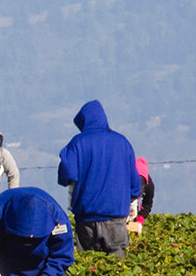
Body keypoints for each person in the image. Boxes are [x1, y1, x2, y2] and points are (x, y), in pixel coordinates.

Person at [56, 101, 140, 255]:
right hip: (116, 217)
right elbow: (135, 185)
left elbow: (67, 174)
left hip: (87, 218)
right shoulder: (122, 143)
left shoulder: (78, 143)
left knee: (90, 265)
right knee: (116, 268)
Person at [0, 187, 74, 276]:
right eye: (22, 239)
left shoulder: (58, 220)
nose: (28, 244)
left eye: (35, 240)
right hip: (6, 273)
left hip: (44, 269)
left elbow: (63, 254)